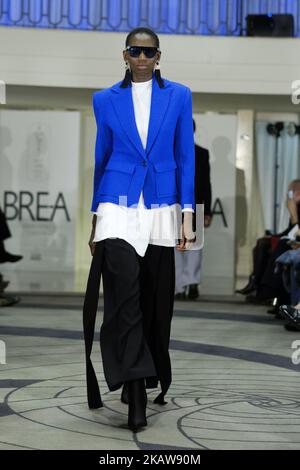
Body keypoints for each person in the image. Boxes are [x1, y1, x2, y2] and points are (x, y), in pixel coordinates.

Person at [82, 27, 197, 432]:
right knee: (123, 300)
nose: (142, 57)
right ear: (125, 54)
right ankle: (134, 393)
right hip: (116, 203)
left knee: (154, 302)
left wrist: (189, 216)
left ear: (158, 55)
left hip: (162, 207)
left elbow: (186, 157)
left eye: (149, 51)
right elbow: (102, 156)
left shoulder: (179, 96)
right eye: (135, 50)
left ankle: (142, 379)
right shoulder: (104, 100)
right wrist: (96, 216)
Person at [174, 119, 212, 300]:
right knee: (175, 245)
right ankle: (179, 286)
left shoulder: (202, 153)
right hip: (173, 204)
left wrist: (208, 210)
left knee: (195, 245)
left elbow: (206, 183)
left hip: (195, 204)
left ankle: (192, 283)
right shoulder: (169, 151)